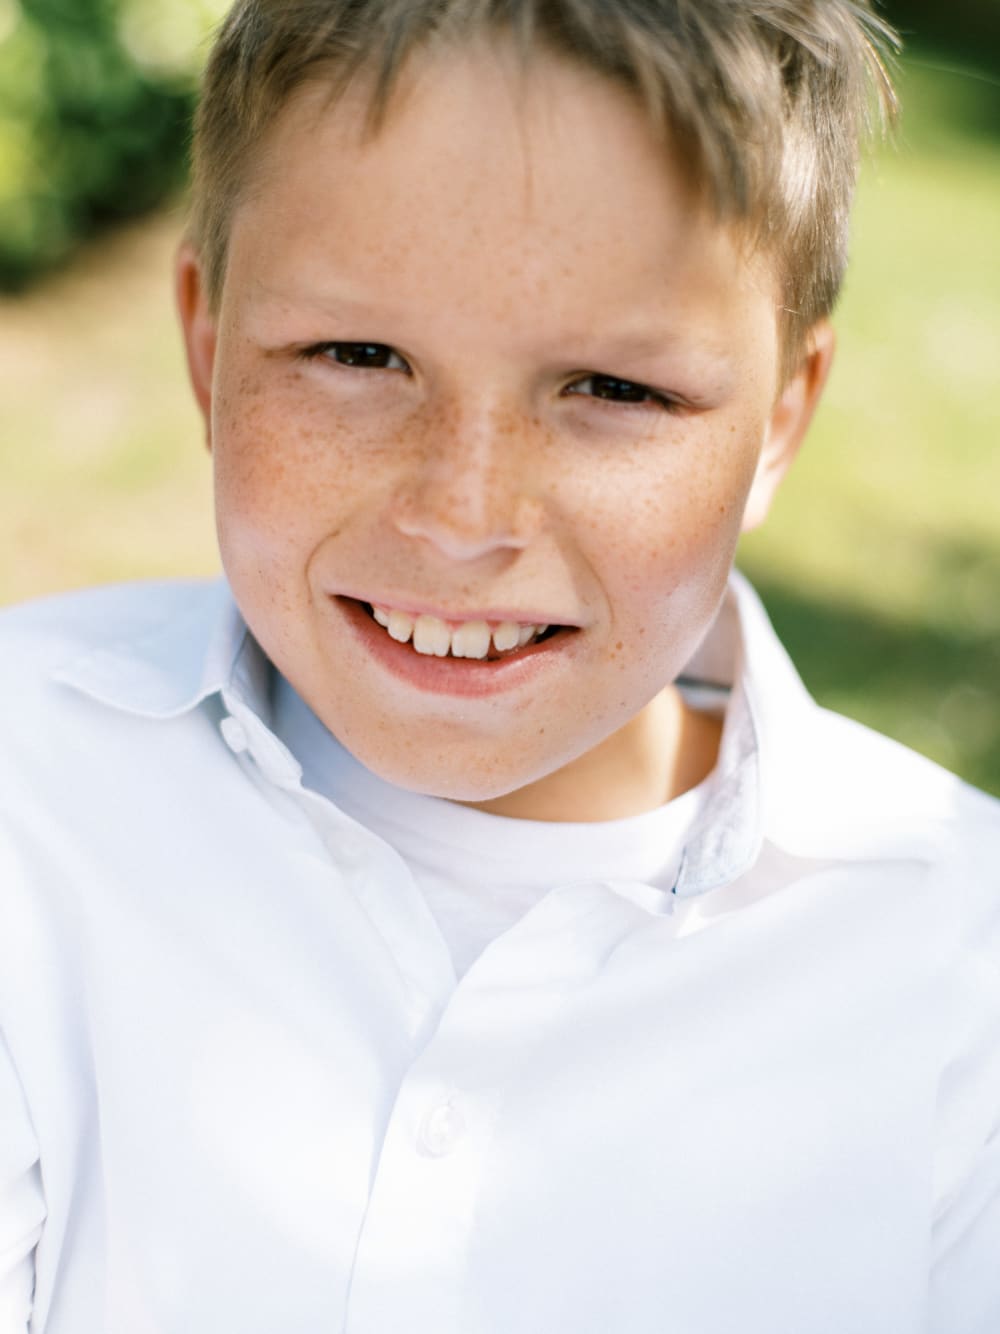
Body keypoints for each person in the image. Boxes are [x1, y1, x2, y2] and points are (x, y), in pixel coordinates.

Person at [1, 0, 998, 1329]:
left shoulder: (957, 983)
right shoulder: (32, 796)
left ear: (781, 421)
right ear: (207, 339)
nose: (464, 517)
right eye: (357, 355)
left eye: (615, 389)